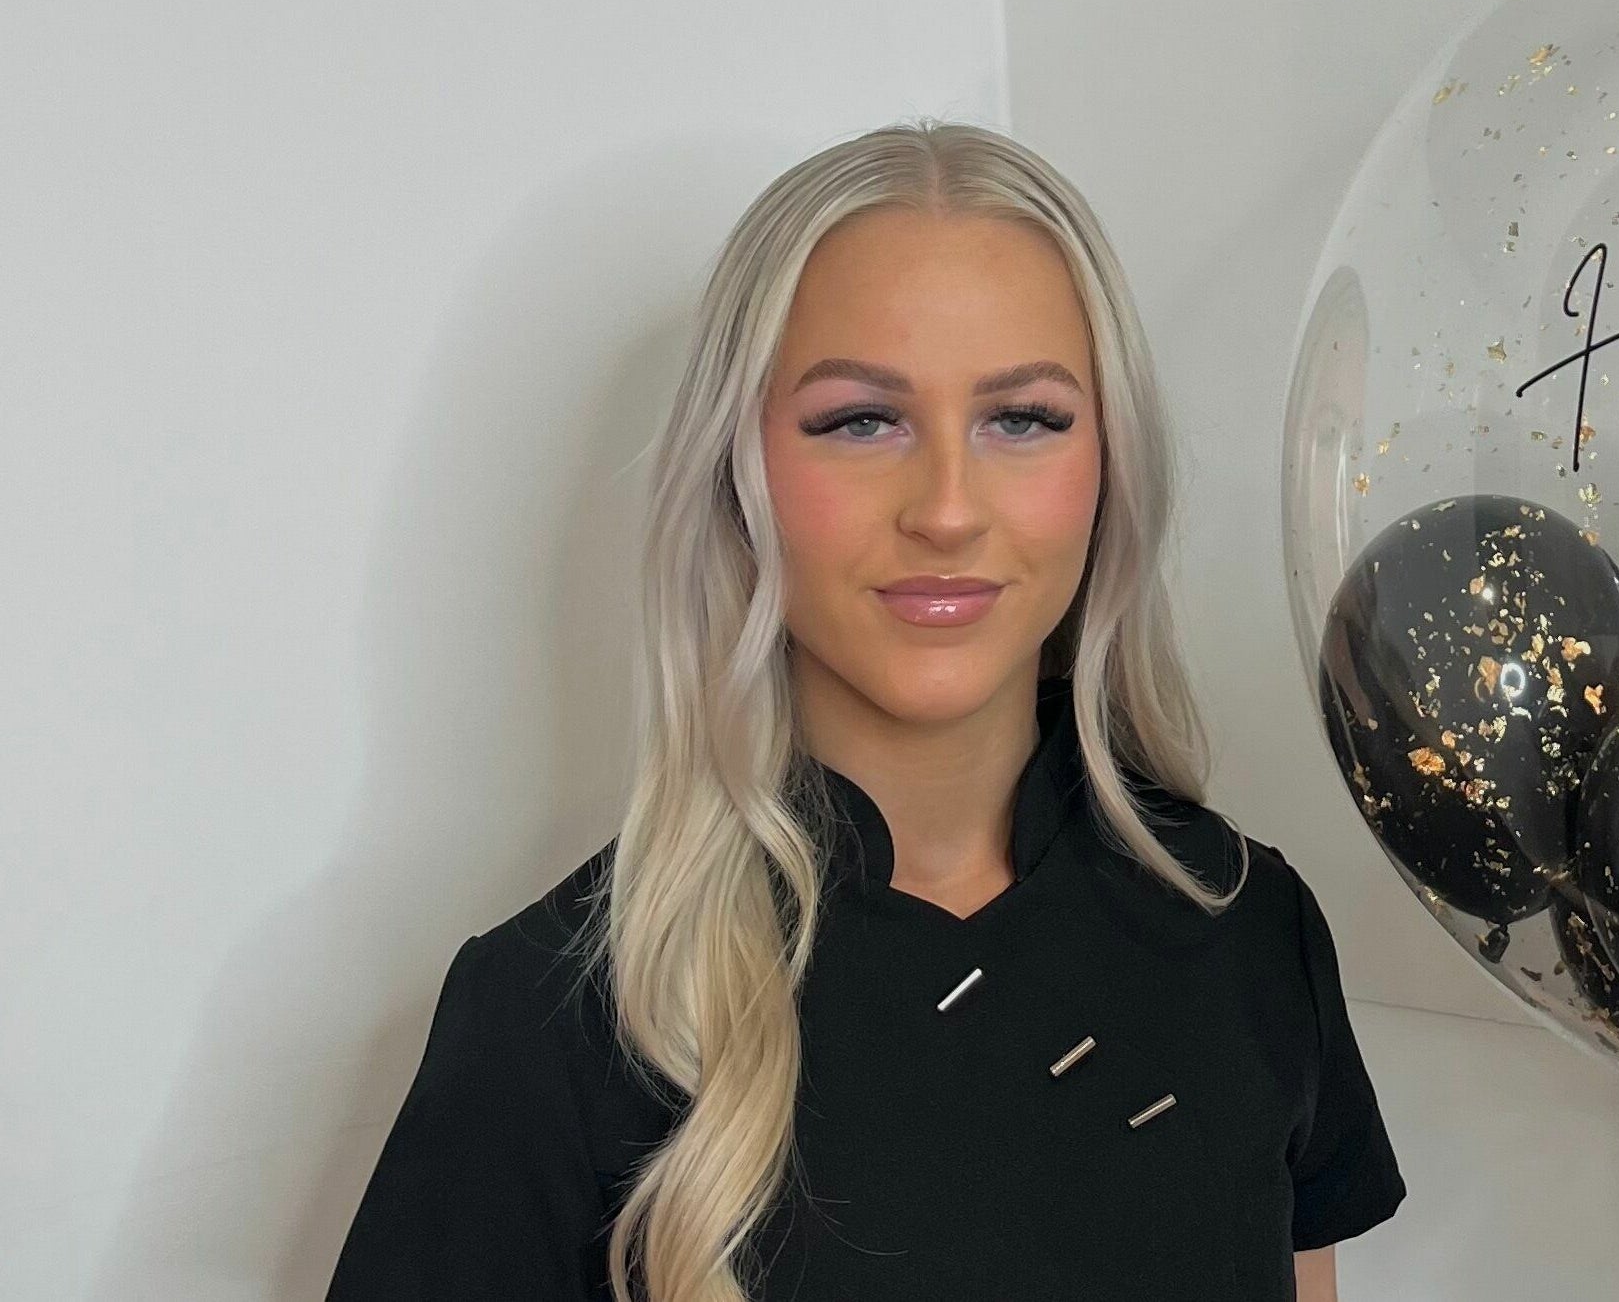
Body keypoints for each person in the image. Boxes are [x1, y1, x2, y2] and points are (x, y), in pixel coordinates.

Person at [325, 122, 1405, 1301]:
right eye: (859, 420)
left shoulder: (1248, 928)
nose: (946, 508)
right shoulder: (550, 1018)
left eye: (1023, 418)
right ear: (737, 470)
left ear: (1110, 464)